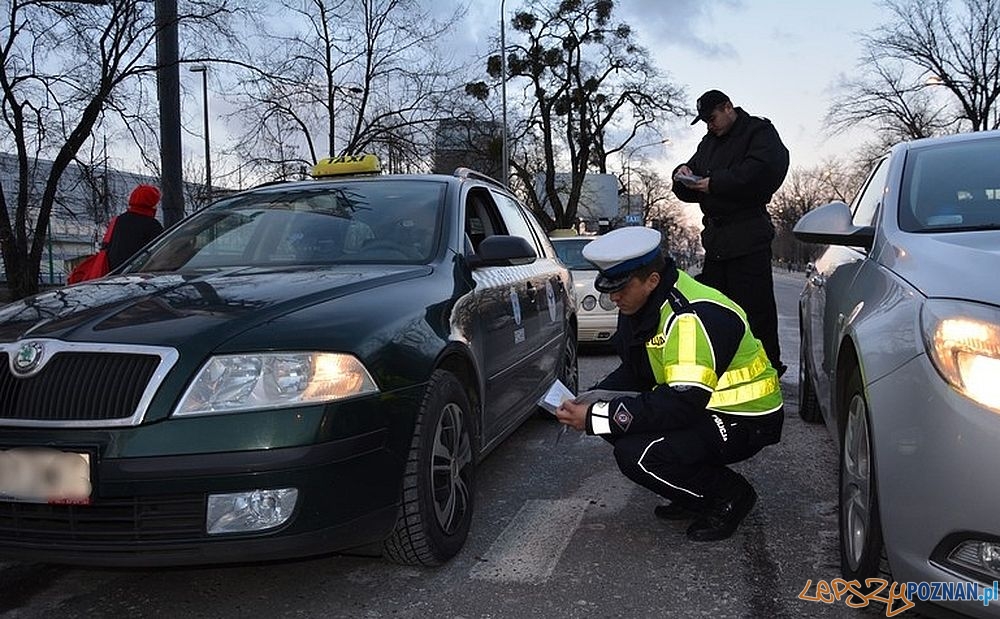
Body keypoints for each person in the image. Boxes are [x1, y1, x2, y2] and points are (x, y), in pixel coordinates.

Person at [555, 227, 783, 542]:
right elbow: (639, 372)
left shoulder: (689, 318)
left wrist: (595, 417)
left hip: (744, 417)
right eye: (609, 287)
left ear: (652, 281)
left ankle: (730, 495)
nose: (613, 297)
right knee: (614, 425)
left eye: (621, 288)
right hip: (704, 407)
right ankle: (691, 490)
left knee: (637, 453)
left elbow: (680, 406)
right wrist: (593, 398)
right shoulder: (643, 305)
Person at [671, 89, 789, 376]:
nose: (710, 125)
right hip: (717, 242)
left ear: (727, 108)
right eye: (705, 121)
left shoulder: (758, 132)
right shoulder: (709, 143)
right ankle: (723, 370)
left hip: (748, 238)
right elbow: (689, 178)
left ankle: (766, 372)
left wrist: (715, 184)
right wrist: (682, 173)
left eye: (712, 118)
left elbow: (760, 172)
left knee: (755, 313)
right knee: (717, 311)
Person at [106, 184, 165, 270]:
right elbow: (161, 254)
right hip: (138, 275)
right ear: (151, 203)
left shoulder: (118, 220)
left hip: (113, 274)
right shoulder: (152, 225)